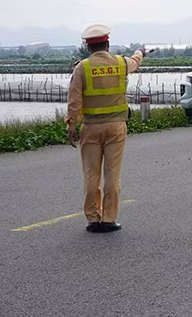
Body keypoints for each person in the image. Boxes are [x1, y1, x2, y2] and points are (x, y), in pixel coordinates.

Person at [65, 24, 146, 233]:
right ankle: (109, 219)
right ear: (107, 44)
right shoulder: (121, 63)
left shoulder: (81, 68)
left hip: (91, 128)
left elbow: (74, 100)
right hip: (116, 128)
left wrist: (71, 125)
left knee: (91, 174)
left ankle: (93, 218)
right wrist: (140, 52)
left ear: (88, 47)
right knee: (112, 174)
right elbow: (135, 62)